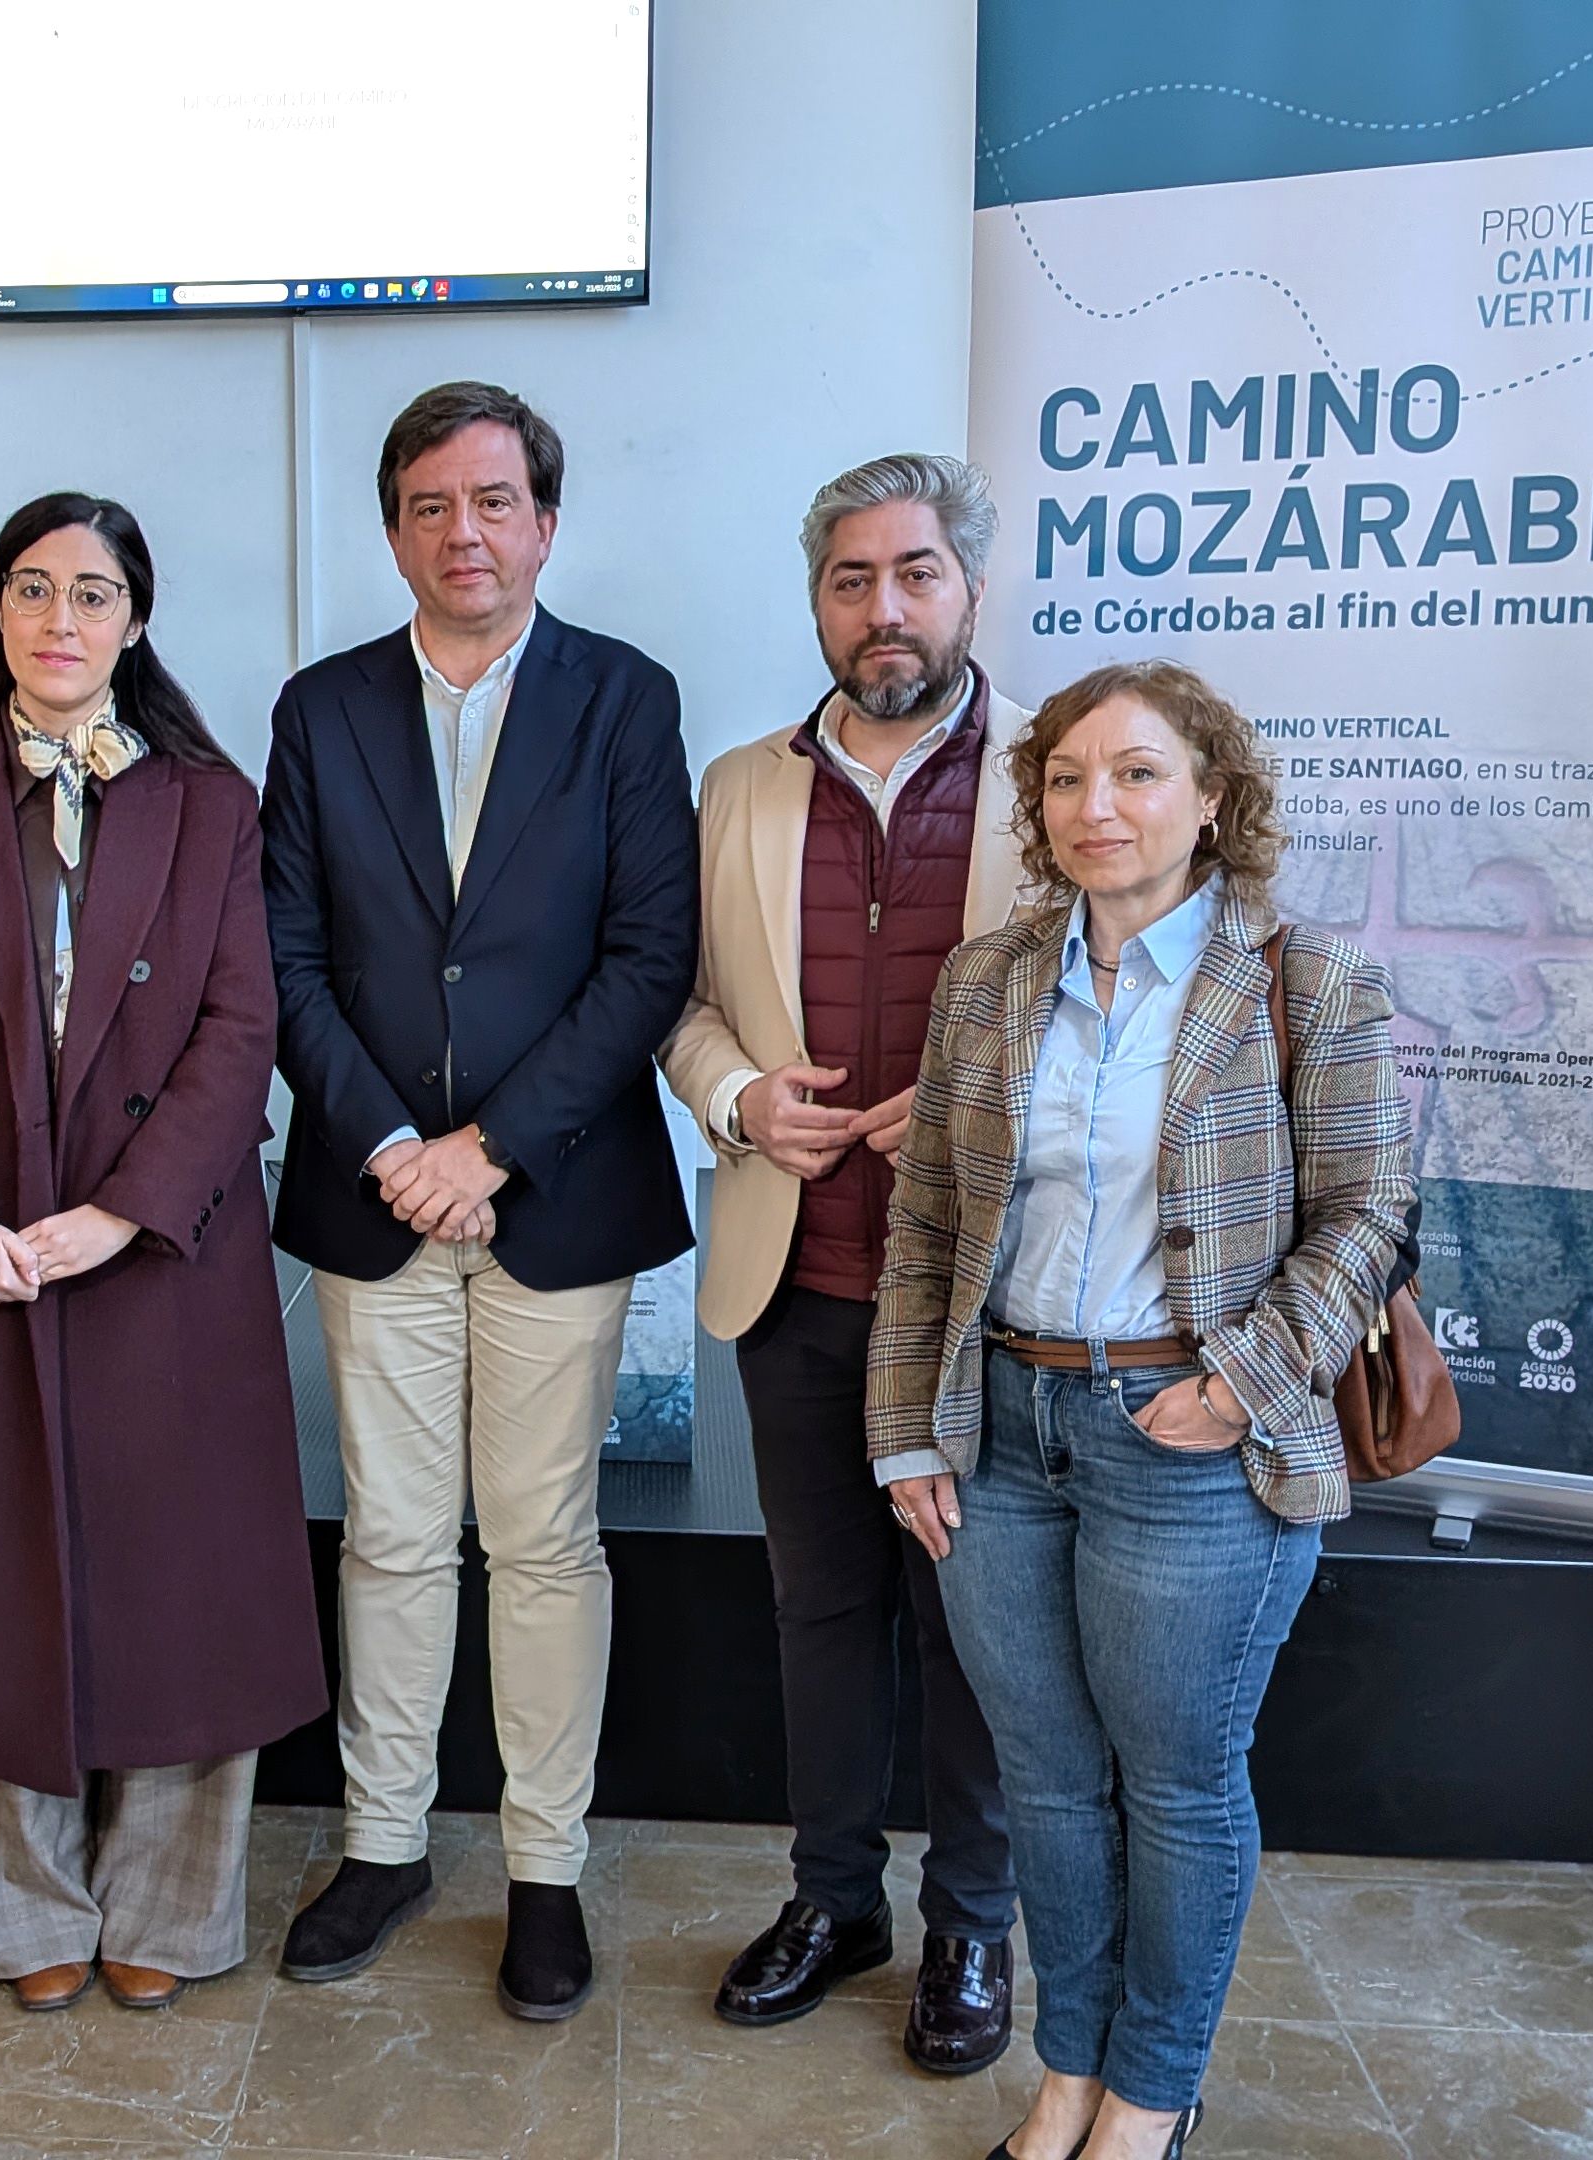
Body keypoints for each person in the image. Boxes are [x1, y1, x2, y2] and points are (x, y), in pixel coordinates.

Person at [867, 660, 1415, 2160]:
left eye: (1138, 773)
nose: (1096, 806)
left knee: (1175, 1783)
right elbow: (927, 1224)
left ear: (1212, 797)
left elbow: (1369, 1219)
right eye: (1066, 779)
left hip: (1191, 1444)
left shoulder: (1312, 987)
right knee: (1043, 1783)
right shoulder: (988, 979)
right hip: (1003, 1432)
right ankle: (1068, 2076)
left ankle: (1153, 2095)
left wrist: (1238, 1381)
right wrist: (906, 1428)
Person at [0, 493, 325, 2014]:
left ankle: (168, 1916)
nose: (63, 620)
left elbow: (246, 1026)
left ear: (135, 618)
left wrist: (126, 1210)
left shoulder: (209, 799)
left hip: (159, 1244)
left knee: (183, 1577)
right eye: (35, 590)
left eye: (95, 593)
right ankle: (21, 1908)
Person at [262, 381, 699, 2021]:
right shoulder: (321, 709)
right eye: (433, 504)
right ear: (394, 530)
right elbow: (287, 957)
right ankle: (381, 1843)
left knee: (540, 1540)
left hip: (556, 1190)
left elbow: (650, 956)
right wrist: (392, 1144)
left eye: (496, 500)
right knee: (389, 1535)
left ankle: (543, 1867)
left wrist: (491, 1149)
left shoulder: (622, 699)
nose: (466, 531)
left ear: (546, 523)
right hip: (375, 1189)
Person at [657, 453, 1029, 2071]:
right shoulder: (740, 786)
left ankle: (971, 1928)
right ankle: (835, 1898)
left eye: (917, 573)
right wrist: (740, 1101)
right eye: (851, 580)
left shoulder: (1059, 780)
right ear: (817, 598)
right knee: (818, 1616)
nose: (885, 608)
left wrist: (953, 1111)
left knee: (976, 1630)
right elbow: (673, 1006)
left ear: (969, 587)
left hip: (990, 1302)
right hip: (795, 1274)